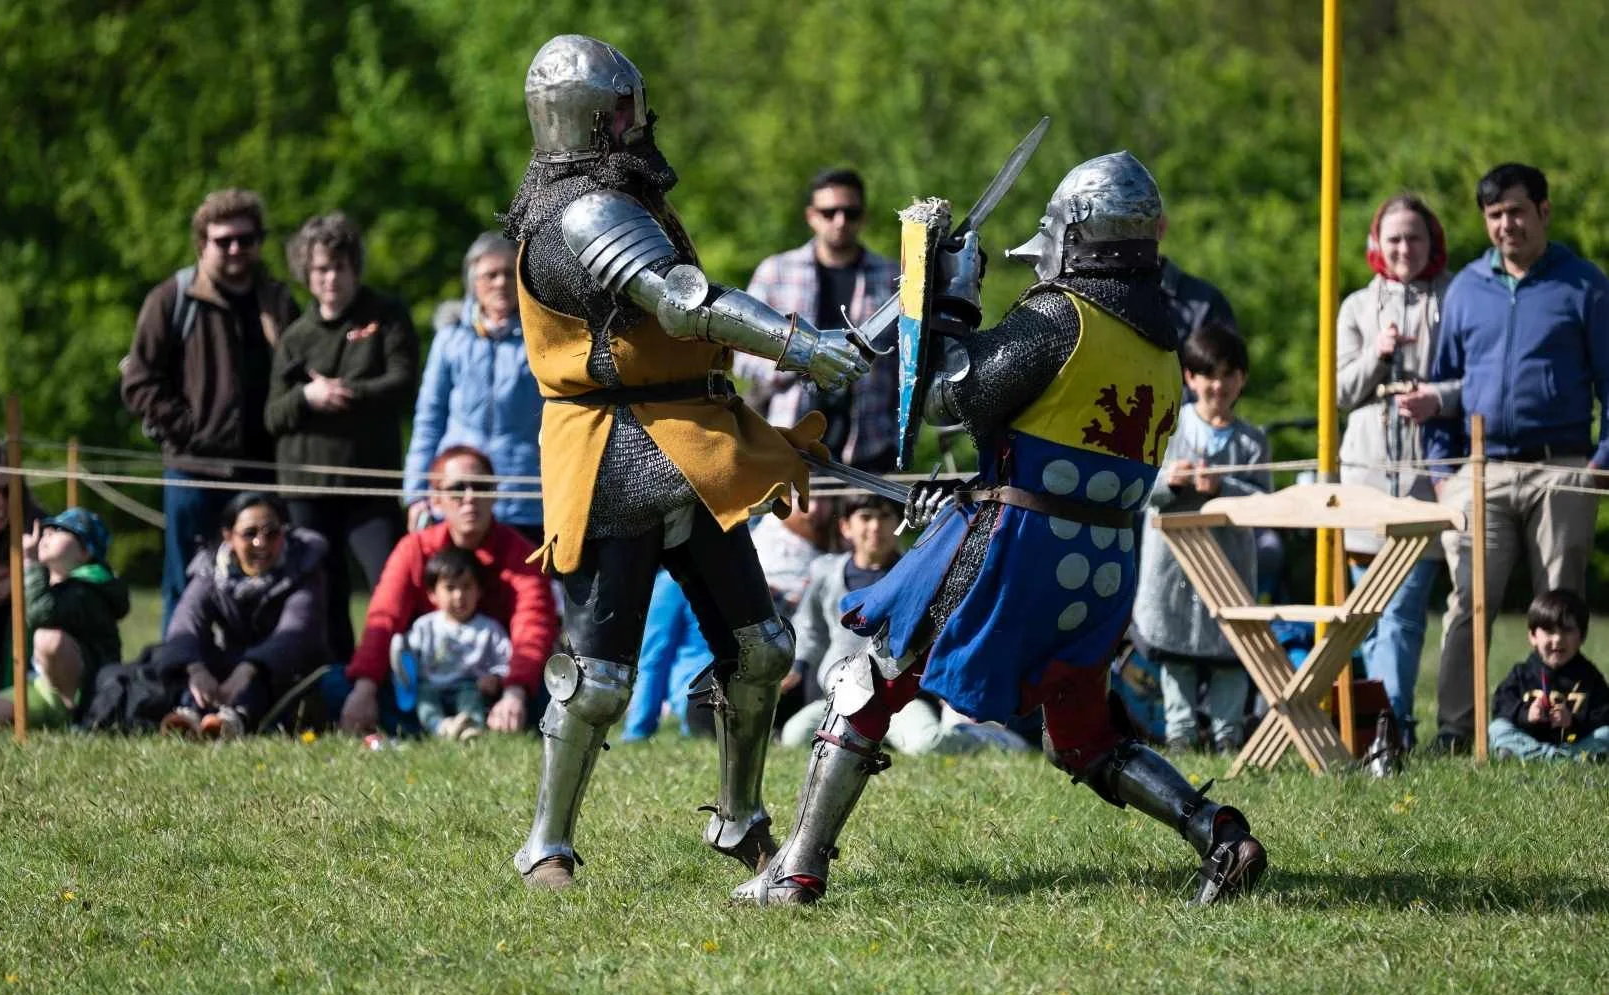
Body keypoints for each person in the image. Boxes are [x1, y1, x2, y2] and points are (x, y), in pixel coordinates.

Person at [736, 153, 1267, 909]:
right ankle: (1215, 831)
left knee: (864, 684)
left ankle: (795, 871)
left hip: (1018, 553)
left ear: (1075, 237)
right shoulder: (1160, 348)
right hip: (1101, 570)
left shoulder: (1062, 316)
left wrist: (952, 296)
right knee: (1082, 735)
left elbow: (952, 399)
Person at [500, 35, 868, 890]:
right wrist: (798, 345)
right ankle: (544, 846)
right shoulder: (580, 215)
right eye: (624, 111)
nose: (640, 123)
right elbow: (681, 300)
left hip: (687, 447)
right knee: (597, 682)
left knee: (762, 649)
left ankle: (739, 819)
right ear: (592, 122)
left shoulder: (621, 200)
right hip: (608, 454)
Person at [1425, 163, 1609, 754]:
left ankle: (1564, 730)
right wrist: (1439, 469)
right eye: (1495, 214)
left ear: (1544, 212)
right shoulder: (1465, 289)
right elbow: (1442, 385)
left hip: (1564, 467)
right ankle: (1457, 731)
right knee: (1469, 599)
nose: (1507, 224)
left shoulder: (1584, 285)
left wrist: (1599, 463)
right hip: (1480, 470)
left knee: (1561, 600)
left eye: (1517, 211)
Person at [121, 188, 299, 633]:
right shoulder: (172, 299)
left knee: (267, 584)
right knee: (186, 584)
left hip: (262, 469)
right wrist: (187, 431)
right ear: (202, 243)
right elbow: (139, 381)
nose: (237, 248)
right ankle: (180, 684)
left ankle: (255, 689)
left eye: (247, 238)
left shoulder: (277, 300)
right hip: (194, 470)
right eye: (224, 240)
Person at [266, 211, 418, 663]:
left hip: (368, 482)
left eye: (339, 267)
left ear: (354, 267)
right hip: (306, 487)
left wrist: (346, 393)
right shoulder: (296, 337)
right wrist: (308, 397)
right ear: (306, 274)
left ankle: (390, 683)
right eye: (320, 269)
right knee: (321, 592)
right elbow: (273, 415)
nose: (330, 278)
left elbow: (403, 382)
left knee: (388, 583)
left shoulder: (386, 316)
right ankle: (335, 686)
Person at [1336, 194, 1457, 749]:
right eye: (1394, 238)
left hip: (1423, 477)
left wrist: (1436, 398)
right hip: (1364, 477)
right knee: (1368, 615)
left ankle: (1393, 727)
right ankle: (1375, 726)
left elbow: (1472, 380)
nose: (1404, 248)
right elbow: (1338, 393)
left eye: (1414, 237)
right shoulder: (1356, 307)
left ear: (1431, 242)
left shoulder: (1453, 300)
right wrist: (1377, 355)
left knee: (1404, 611)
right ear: (1376, 245)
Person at [340, 446, 557, 737]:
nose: (470, 498)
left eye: (481, 487)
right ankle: (443, 726)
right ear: (436, 500)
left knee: (554, 696)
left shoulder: (524, 555)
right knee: (337, 686)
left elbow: (533, 629)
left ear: (494, 494)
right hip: (423, 686)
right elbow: (384, 619)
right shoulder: (413, 549)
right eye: (457, 489)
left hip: (495, 685)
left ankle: (460, 725)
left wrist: (514, 693)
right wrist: (365, 689)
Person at [779, 495, 1011, 755]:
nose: (875, 527)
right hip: (839, 698)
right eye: (865, 517)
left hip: (898, 700)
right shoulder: (825, 571)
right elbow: (810, 627)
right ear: (845, 526)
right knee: (794, 737)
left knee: (926, 745)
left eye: (885, 517)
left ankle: (995, 740)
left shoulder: (923, 575)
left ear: (899, 523)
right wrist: (797, 665)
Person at [1130, 323, 1271, 753]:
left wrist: (1223, 488)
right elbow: (1136, 491)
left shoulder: (1252, 441)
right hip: (1172, 567)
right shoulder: (1168, 430)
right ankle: (1180, 735)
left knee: (1231, 651)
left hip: (1229, 566)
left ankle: (1229, 736)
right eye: (1209, 374)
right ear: (1189, 377)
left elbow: (1263, 501)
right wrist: (1169, 481)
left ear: (1242, 379)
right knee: (1176, 656)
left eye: (1229, 374)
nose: (1219, 385)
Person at [733, 168, 900, 470]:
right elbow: (739, 353)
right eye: (829, 212)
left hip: (871, 442)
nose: (840, 221)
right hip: (789, 439)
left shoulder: (891, 279)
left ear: (863, 216)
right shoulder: (775, 272)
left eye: (850, 212)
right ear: (811, 216)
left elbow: (909, 361)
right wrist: (795, 361)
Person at [403, 231, 545, 545]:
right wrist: (415, 493)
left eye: (509, 273)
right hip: (457, 496)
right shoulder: (450, 339)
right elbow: (429, 418)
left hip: (525, 499)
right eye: (489, 275)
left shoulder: (542, 338)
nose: (499, 283)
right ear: (472, 282)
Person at [154, 493, 329, 739]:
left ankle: (232, 721)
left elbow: (296, 631)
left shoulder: (303, 566)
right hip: (229, 665)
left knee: (259, 681)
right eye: (250, 534)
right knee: (198, 659)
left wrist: (250, 668)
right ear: (229, 536)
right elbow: (185, 621)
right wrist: (195, 670)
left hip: (285, 671)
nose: (261, 543)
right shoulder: (211, 569)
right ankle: (188, 713)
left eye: (272, 533)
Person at [0, 509, 128, 730]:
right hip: (40, 687)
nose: (48, 534)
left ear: (84, 552)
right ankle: (44, 714)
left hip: (86, 693)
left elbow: (41, 613)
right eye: (48, 529)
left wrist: (31, 563)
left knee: (48, 639)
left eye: (62, 530)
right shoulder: (46, 585)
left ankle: (74, 717)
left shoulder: (89, 591)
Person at [391, 546, 513, 741]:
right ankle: (440, 727)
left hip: (468, 685)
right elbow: (408, 658)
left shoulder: (489, 629)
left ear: (479, 591)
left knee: (471, 697)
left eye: (466, 587)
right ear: (432, 594)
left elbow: (506, 660)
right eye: (450, 588)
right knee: (425, 700)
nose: (459, 595)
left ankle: (470, 727)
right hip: (431, 684)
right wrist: (401, 653)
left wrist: (495, 678)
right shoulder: (424, 626)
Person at [1489, 589, 1609, 761]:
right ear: (1532, 636)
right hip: (1530, 740)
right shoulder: (1522, 673)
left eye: (1567, 631)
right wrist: (1526, 714)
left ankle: (1534, 757)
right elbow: (1500, 706)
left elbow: (1603, 715)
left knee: (1605, 734)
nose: (1558, 640)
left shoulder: (1590, 676)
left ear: (1582, 636)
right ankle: (1565, 759)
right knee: (1497, 729)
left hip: (1574, 743)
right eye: (1549, 631)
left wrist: (1572, 722)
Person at [620, 572, 715, 742]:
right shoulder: (727, 574)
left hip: (699, 703)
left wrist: (637, 731)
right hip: (739, 695)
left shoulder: (673, 582)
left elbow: (653, 660)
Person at [0, 445, 44, 692]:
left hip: (15, 629)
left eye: (8, 490)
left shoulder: (36, 522)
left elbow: (63, 571)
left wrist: (17, 578)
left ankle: (14, 690)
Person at [1157, 214, 1237, 345]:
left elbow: (1225, 363)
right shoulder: (1112, 297)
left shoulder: (1208, 304)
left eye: (1136, 222)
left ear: (1160, 227)